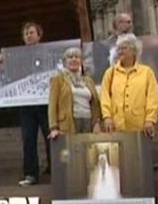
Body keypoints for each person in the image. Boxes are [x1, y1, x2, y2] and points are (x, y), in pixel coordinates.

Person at [100, 33, 158, 136]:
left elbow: (152, 97)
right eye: (118, 49)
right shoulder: (110, 73)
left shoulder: (146, 72)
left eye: (124, 48)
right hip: (116, 128)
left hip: (140, 128)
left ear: (133, 51)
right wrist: (107, 117)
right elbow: (104, 96)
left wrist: (150, 119)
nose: (120, 52)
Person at [18, 22, 50, 186]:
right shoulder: (16, 55)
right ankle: (30, 174)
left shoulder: (48, 51)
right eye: (26, 34)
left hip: (46, 102)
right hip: (27, 103)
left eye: (31, 33)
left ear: (39, 35)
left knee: (50, 136)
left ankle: (54, 168)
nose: (29, 36)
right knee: (28, 138)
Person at [48, 47, 101, 138]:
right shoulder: (58, 79)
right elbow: (52, 104)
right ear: (65, 62)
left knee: (88, 151)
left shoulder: (88, 81)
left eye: (77, 57)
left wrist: (96, 122)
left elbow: (95, 104)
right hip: (68, 123)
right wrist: (54, 127)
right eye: (70, 57)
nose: (74, 59)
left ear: (81, 61)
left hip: (88, 121)